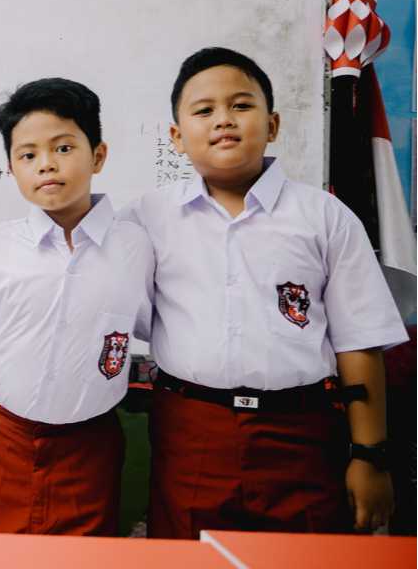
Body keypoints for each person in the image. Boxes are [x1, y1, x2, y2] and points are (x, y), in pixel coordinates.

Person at [125, 47, 407, 537]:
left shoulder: (323, 217)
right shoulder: (146, 220)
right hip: (191, 434)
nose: (223, 121)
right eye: (204, 110)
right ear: (177, 136)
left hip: (303, 435)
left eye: (241, 105)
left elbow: (358, 341)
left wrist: (369, 455)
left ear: (272, 124)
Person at [0, 78, 153, 535]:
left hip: (88, 441)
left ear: (98, 155)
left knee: (85, 558)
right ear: (12, 168)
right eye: (27, 155)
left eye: (63, 148)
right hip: (0, 433)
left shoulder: (137, 246)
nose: (46, 165)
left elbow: (158, 327)